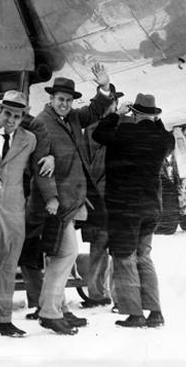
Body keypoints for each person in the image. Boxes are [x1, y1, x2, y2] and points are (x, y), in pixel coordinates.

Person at [26, 65, 114, 335]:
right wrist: (51, 197)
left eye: (68, 100)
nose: (64, 104)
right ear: (51, 99)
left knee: (59, 257)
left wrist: (104, 88)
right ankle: (50, 312)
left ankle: (59, 308)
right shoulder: (42, 122)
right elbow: (40, 165)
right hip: (55, 204)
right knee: (66, 255)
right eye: (60, 99)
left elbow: (96, 110)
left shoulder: (73, 118)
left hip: (71, 200)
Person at [0, 90, 53, 348]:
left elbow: (41, 168)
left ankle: (2, 320)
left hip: (14, 211)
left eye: (17, 115)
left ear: (23, 117)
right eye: (6, 113)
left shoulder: (30, 140)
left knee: (6, 266)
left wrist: (51, 157)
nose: (11, 119)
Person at [92, 93, 175, 328]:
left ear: (135, 114)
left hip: (125, 210)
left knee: (124, 257)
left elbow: (98, 134)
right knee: (144, 256)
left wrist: (116, 115)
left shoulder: (124, 133)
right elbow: (165, 135)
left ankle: (135, 313)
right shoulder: (164, 140)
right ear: (155, 115)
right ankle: (155, 312)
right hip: (151, 208)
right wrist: (153, 117)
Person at [81, 84, 125, 308]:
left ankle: (108, 295)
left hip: (108, 196)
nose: (111, 106)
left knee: (110, 248)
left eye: (113, 102)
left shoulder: (114, 128)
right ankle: (98, 294)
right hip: (102, 197)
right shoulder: (93, 130)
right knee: (102, 247)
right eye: (108, 103)